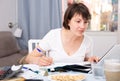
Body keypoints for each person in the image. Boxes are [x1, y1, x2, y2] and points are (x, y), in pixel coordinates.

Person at [23, 3, 99, 66]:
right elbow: (29, 57)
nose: (82, 26)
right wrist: (38, 60)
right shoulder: (53, 36)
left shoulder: (88, 41)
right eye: (78, 21)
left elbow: (84, 58)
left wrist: (89, 60)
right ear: (68, 21)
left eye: (85, 22)